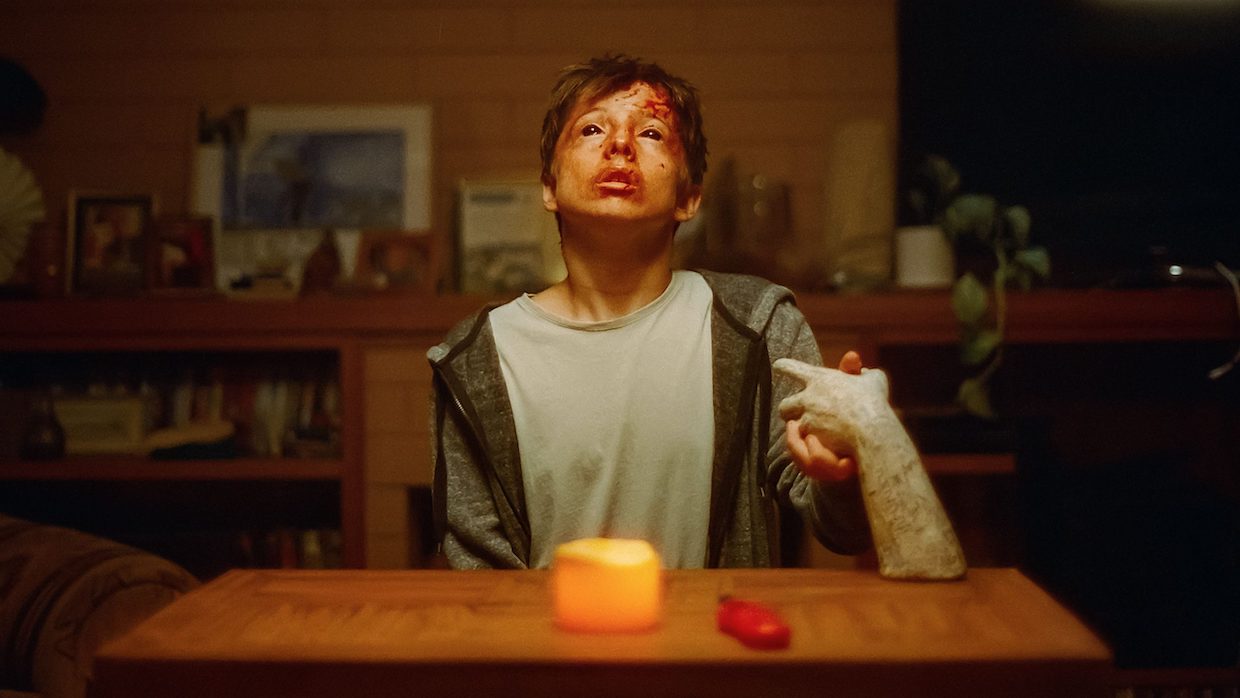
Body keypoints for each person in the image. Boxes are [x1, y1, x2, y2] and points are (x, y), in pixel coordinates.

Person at [429, 54, 871, 569]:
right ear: (548, 188)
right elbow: (479, 572)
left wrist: (852, 464)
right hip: (549, 645)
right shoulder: (474, 356)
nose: (619, 145)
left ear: (689, 197)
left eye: (652, 133)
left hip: (711, 645)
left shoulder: (760, 326)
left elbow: (843, 531)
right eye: (592, 129)